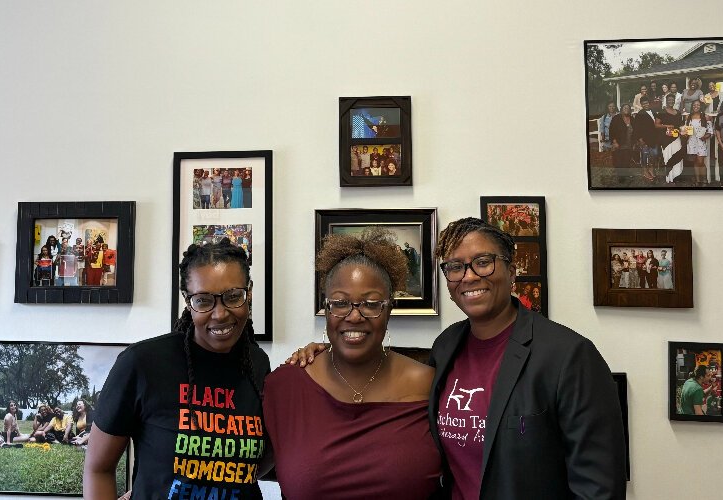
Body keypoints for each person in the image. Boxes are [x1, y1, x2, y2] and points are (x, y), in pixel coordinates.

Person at [291, 218, 626, 499]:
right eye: (454, 267)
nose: (468, 276)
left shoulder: (569, 356)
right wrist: (323, 354)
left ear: (512, 270)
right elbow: (383, 375)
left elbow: (598, 488)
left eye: (483, 262)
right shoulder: (446, 346)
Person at [84, 239, 270, 499]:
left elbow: (251, 465)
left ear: (248, 292)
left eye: (233, 297)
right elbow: (98, 469)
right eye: (204, 301)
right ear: (187, 300)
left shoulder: (258, 364)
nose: (220, 313)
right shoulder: (142, 363)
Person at [264, 227, 442, 499]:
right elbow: (248, 467)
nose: (354, 316)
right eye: (340, 303)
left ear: (389, 309)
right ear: (326, 309)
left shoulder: (430, 385)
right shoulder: (286, 386)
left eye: (370, 304)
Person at [656, 94, 685, 183]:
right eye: (669, 100)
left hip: (676, 138)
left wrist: (684, 131)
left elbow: (681, 125)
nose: (671, 101)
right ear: (666, 100)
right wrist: (667, 126)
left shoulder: (678, 112)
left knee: (678, 156)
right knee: (668, 157)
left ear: (674, 101)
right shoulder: (662, 111)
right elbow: (656, 125)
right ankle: (669, 178)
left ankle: (677, 176)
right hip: (666, 139)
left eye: (672, 100)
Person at [684, 99, 713, 185]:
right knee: (695, 161)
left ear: (701, 107)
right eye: (694, 105)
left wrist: (705, 137)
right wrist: (684, 133)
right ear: (692, 106)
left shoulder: (705, 116)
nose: (696, 106)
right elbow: (686, 130)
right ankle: (698, 180)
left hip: (701, 141)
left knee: (700, 161)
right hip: (691, 141)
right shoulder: (688, 117)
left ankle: (704, 179)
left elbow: (710, 131)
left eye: (698, 105)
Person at [634, 96, 660, 180]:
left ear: (649, 103)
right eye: (643, 104)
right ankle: (645, 171)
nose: (645, 105)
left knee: (655, 154)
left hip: (654, 137)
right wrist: (640, 139)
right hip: (644, 139)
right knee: (644, 155)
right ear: (641, 105)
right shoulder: (639, 114)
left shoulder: (654, 111)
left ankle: (651, 169)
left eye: (646, 103)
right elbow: (636, 128)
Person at [609, 103, 634, 172]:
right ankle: (620, 177)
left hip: (629, 144)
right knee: (618, 162)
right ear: (621, 110)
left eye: (628, 108)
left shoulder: (632, 118)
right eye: (625, 108)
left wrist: (634, 142)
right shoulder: (616, 118)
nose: (626, 109)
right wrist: (615, 142)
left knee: (627, 161)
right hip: (619, 144)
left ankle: (625, 175)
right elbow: (611, 131)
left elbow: (635, 131)